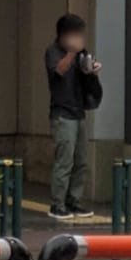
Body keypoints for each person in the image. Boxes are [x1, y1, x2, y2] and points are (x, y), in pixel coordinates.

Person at [45, 12, 103, 221]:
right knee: (64, 161)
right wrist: (71, 53)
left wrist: (93, 71)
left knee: (81, 161)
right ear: (64, 34)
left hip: (79, 113)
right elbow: (58, 72)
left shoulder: (82, 53)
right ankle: (57, 204)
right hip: (62, 114)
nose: (79, 38)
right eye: (75, 34)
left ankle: (74, 200)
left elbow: (87, 79)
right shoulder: (53, 52)